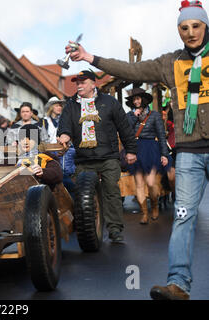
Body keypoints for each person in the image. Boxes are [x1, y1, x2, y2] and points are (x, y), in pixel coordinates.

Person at [65, 0, 209, 300]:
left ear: (205, 25)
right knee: (183, 216)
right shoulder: (171, 63)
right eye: (184, 27)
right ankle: (178, 285)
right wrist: (91, 56)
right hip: (190, 152)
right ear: (179, 30)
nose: (191, 32)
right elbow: (130, 69)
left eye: (196, 26)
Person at [58, 70, 137, 243]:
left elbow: (124, 127)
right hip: (83, 158)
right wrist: (64, 134)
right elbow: (64, 125)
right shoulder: (71, 105)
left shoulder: (109, 102)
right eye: (77, 82)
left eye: (83, 82)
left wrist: (131, 150)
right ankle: (88, 228)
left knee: (111, 192)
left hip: (108, 156)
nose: (79, 85)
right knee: (82, 195)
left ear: (93, 84)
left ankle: (115, 229)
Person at [124, 88, 169, 224]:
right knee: (139, 183)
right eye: (134, 99)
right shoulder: (129, 115)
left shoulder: (154, 115)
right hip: (135, 149)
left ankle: (154, 206)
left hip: (151, 149)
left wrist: (164, 154)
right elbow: (126, 132)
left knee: (150, 182)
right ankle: (144, 214)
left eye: (138, 98)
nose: (136, 101)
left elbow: (161, 135)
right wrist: (134, 117)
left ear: (143, 100)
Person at [17, 124, 63, 190]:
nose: (25, 142)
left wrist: (43, 172)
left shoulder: (46, 156)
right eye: (22, 139)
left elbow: (57, 173)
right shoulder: (16, 159)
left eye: (29, 139)